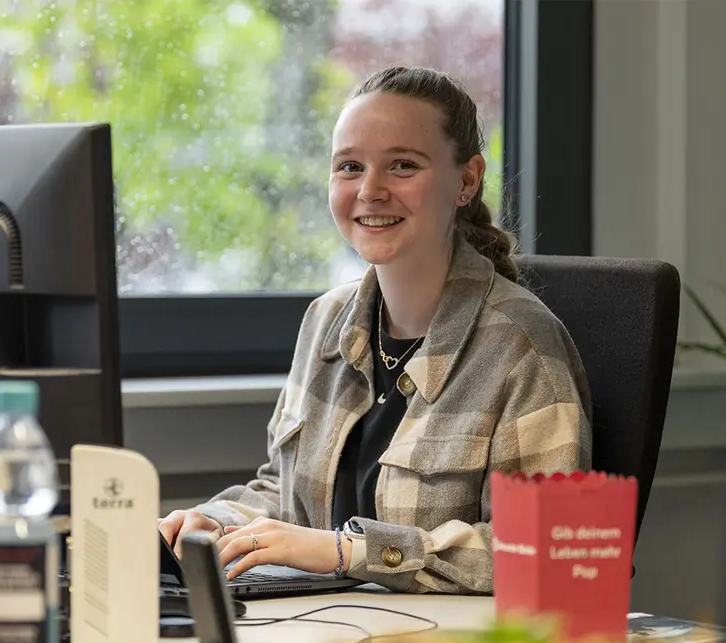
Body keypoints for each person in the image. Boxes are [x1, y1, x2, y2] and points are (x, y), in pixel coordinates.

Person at [159, 65, 593, 595]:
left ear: (467, 180)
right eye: (349, 167)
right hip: (326, 628)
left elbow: (548, 550)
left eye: (403, 165)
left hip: (446, 642)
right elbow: (285, 494)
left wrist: (348, 551)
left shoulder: (521, 346)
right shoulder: (325, 320)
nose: (370, 190)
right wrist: (214, 522)